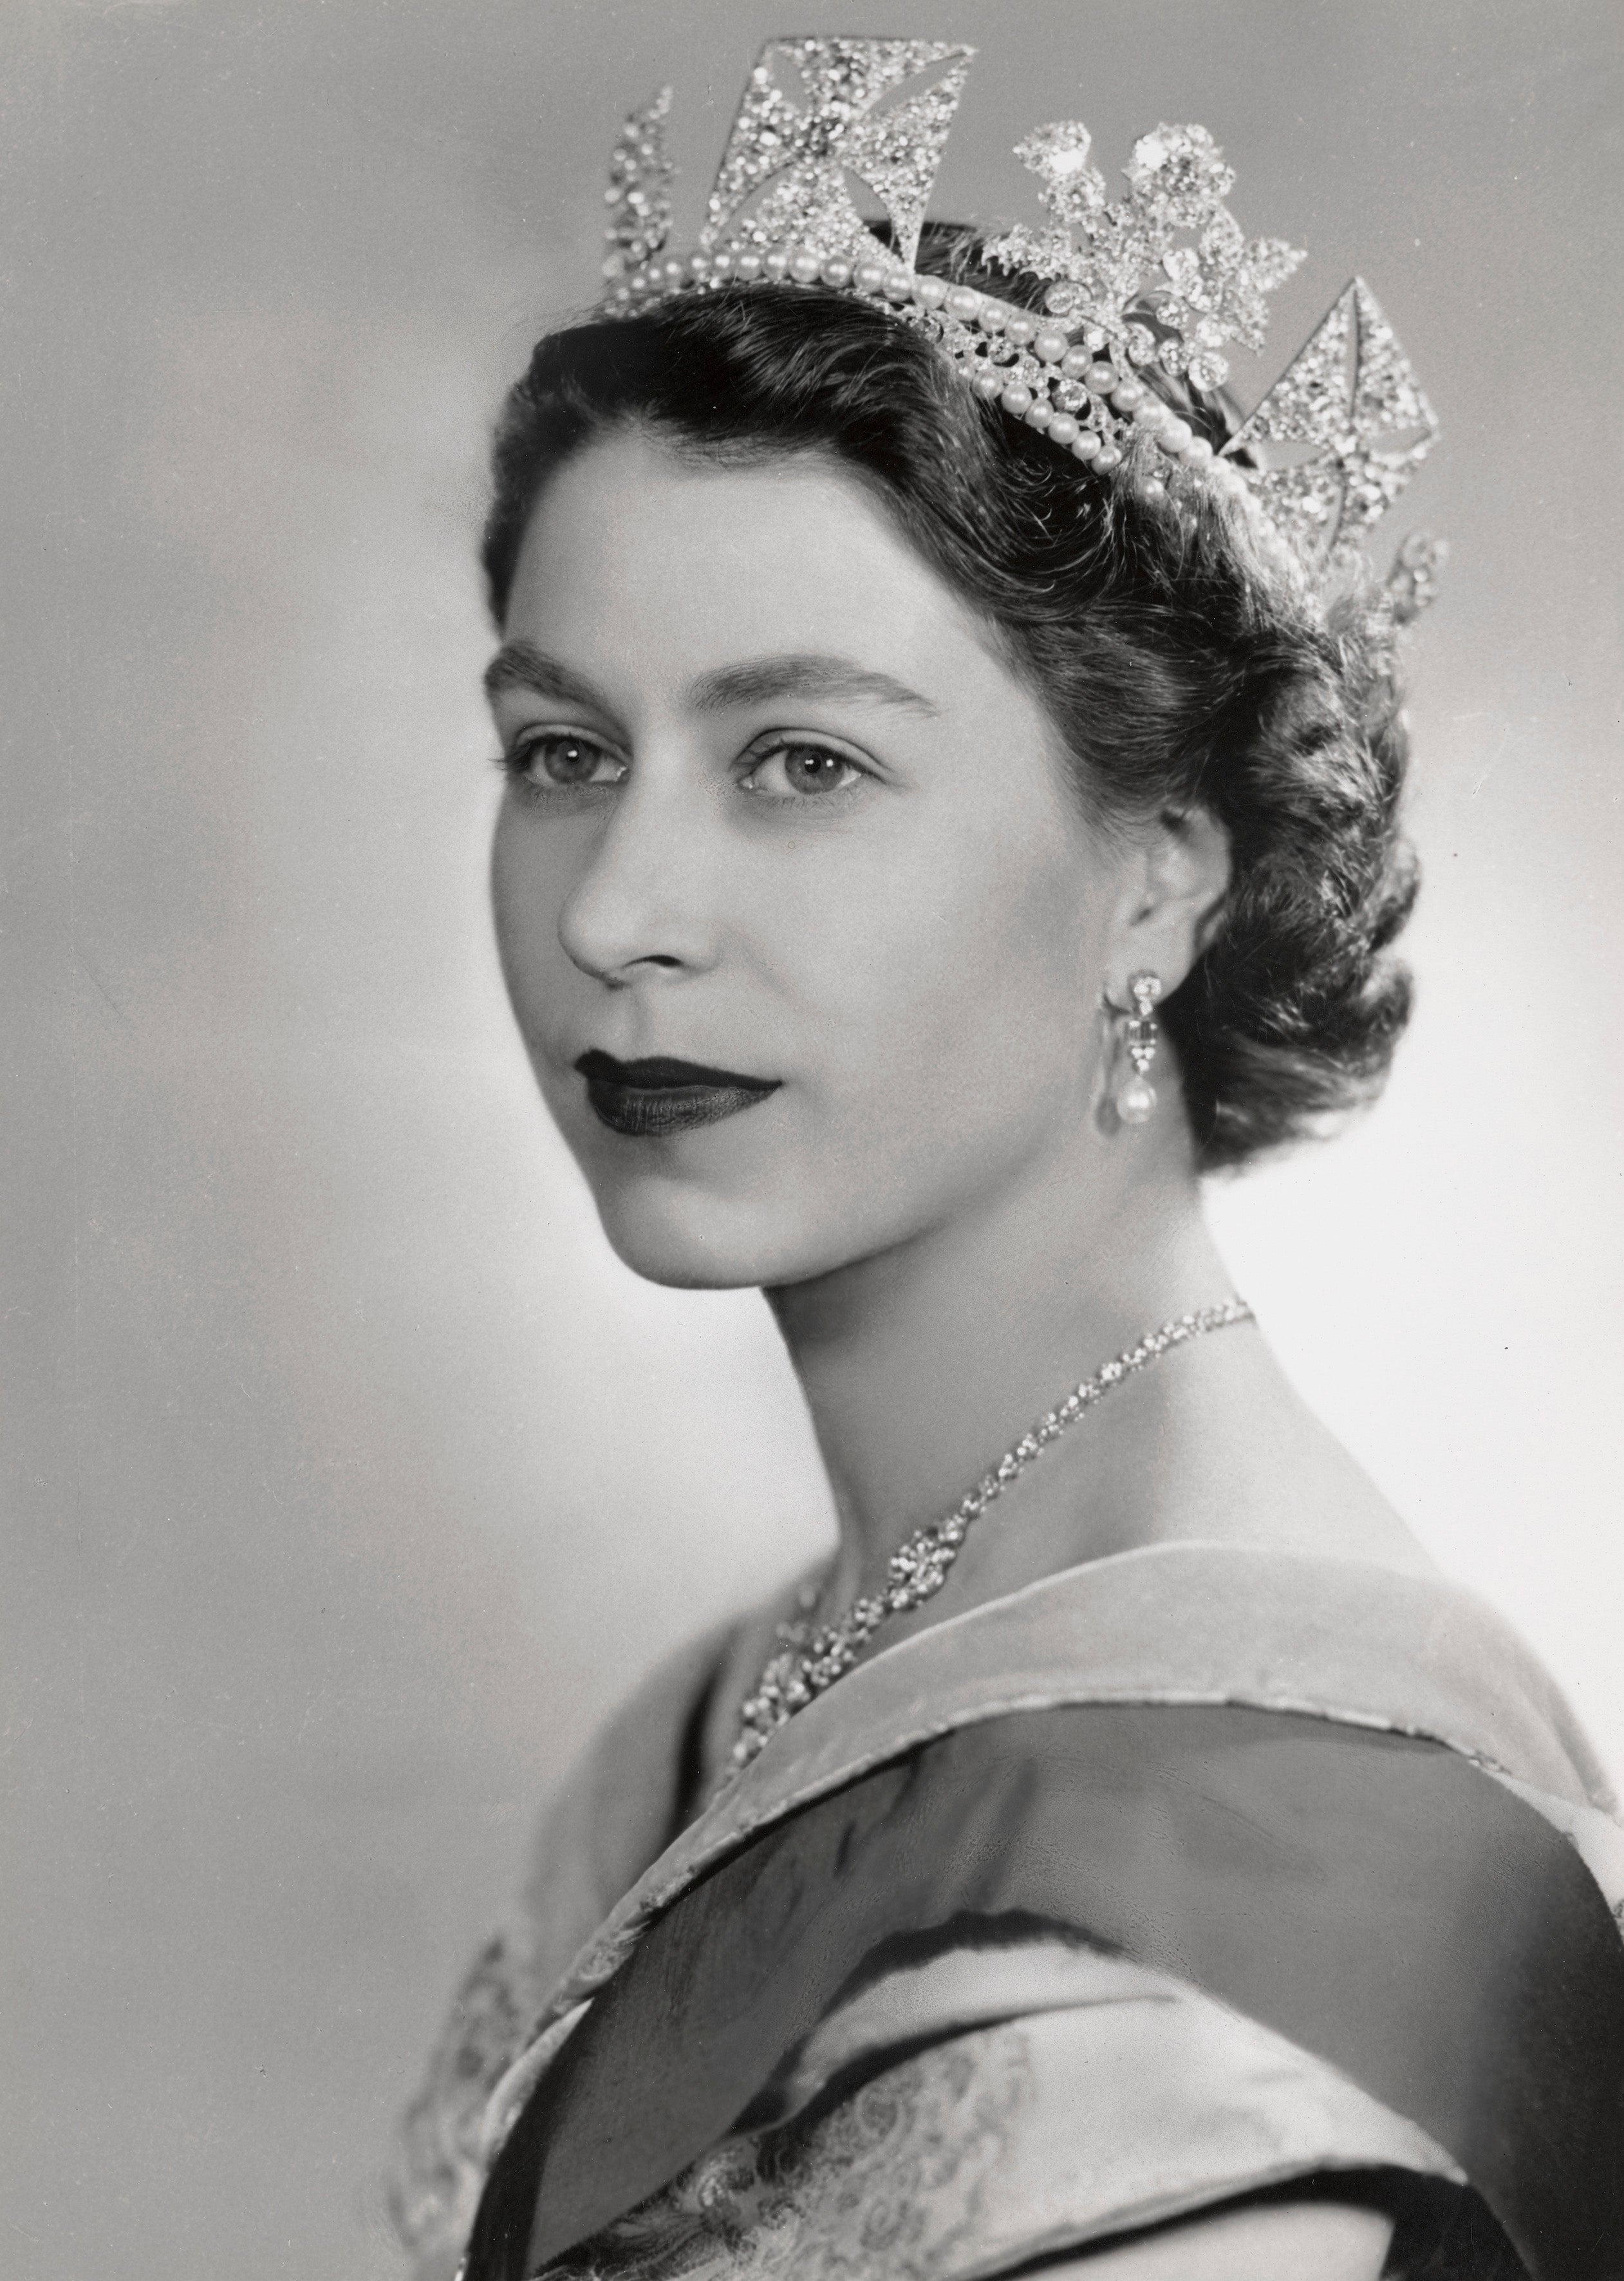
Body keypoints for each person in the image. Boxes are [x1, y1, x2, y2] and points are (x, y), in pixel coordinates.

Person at [391, 43, 1624, 2281]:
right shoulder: (738, 1701)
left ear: (1161, 876)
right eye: (563, 751)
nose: (613, 911)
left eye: (797, 762)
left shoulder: (1255, 1853)